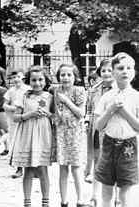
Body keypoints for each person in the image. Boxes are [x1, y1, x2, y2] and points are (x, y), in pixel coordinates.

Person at [94, 52, 139, 207]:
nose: (125, 71)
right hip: (108, 145)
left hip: (129, 147)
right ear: (113, 73)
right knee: (106, 190)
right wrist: (111, 110)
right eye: (120, 68)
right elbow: (98, 126)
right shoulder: (107, 97)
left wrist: (124, 111)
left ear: (134, 72)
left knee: (125, 191)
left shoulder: (136, 97)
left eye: (129, 68)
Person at [10, 66, 53, 207]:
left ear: (45, 80)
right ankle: (27, 202)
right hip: (27, 135)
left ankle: (45, 202)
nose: (37, 83)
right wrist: (29, 114)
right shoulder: (24, 96)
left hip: (43, 135)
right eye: (34, 80)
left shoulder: (50, 97)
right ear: (29, 81)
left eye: (40, 79)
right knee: (28, 169)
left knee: (42, 169)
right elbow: (15, 117)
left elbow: (56, 116)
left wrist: (48, 114)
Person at [51, 64, 89, 207]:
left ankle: (80, 200)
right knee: (62, 167)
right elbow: (56, 113)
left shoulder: (79, 90)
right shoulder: (57, 90)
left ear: (75, 77)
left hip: (75, 133)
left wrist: (66, 101)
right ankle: (64, 201)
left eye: (69, 75)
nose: (65, 77)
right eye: (62, 75)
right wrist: (57, 116)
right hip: (61, 132)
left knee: (76, 167)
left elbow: (81, 113)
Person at [85, 59, 116, 207]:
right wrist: (87, 122)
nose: (107, 73)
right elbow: (89, 109)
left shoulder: (120, 89)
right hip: (97, 129)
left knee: (115, 163)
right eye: (103, 70)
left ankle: (117, 197)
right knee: (98, 162)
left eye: (110, 70)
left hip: (114, 129)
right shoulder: (94, 89)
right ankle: (94, 195)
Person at [3, 69, 31, 178]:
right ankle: (19, 169)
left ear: (23, 78)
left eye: (18, 77)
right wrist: (13, 108)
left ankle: (31, 169)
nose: (16, 79)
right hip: (15, 120)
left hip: (27, 119)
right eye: (14, 77)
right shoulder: (10, 91)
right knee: (16, 143)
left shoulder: (28, 89)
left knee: (28, 142)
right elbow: (4, 105)